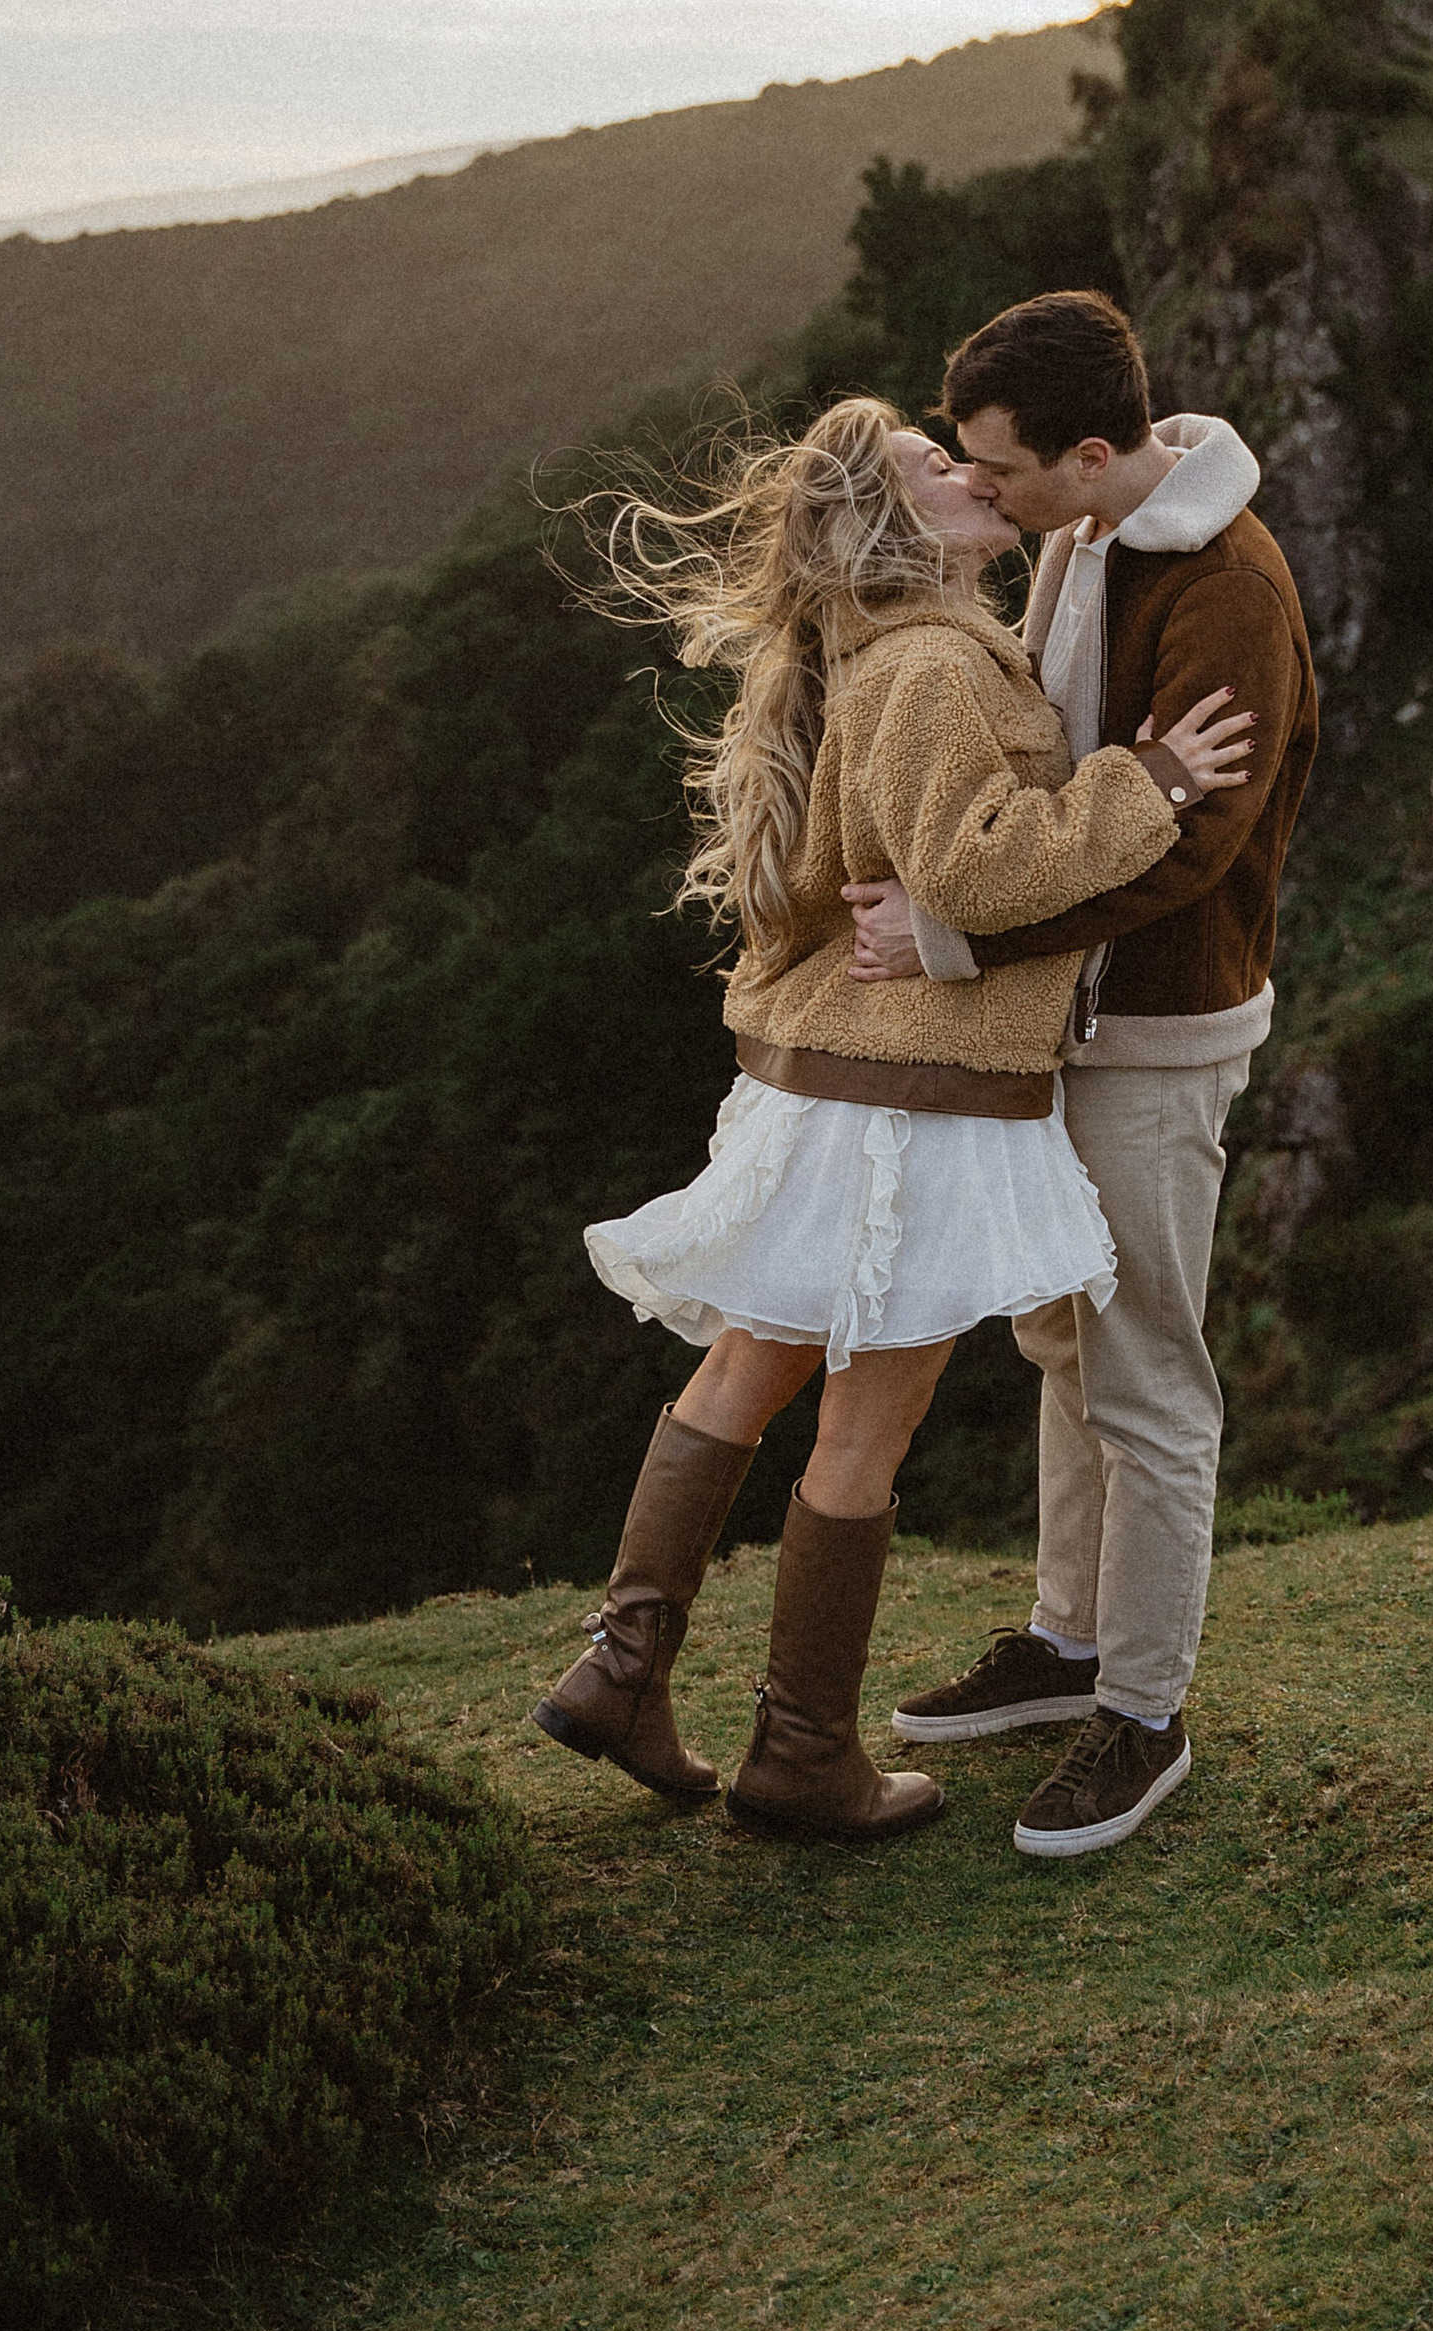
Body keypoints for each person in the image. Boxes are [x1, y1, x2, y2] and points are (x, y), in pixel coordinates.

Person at [532, 394, 1255, 1842]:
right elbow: (978, 877)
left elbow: (858, 884)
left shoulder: (865, 659)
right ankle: (802, 1756)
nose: (970, 469)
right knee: (864, 1425)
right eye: (936, 466)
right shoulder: (932, 664)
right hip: (921, 1102)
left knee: (748, 1367)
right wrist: (1150, 783)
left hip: (835, 1088)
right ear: (892, 519)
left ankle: (623, 1671)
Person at [844, 292, 1317, 1858]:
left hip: (1158, 1031)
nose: (978, 492)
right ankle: (1068, 1644)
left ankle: (1147, 1712)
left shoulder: (1227, 587)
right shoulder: (1086, 538)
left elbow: (1190, 845)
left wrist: (959, 945)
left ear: (1093, 454)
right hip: (1066, 1020)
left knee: (1148, 1371)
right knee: (1058, 1335)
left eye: (998, 468)